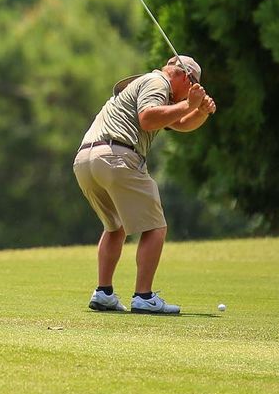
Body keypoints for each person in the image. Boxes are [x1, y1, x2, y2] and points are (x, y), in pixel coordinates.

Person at [73, 54, 217, 315]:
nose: (188, 95)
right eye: (192, 87)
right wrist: (190, 105)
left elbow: (180, 124)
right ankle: (144, 296)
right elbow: (148, 119)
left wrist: (201, 112)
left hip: (86, 161)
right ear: (186, 77)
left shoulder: (146, 89)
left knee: (115, 226)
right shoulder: (157, 82)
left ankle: (103, 293)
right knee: (155, 227)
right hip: (117, 157)